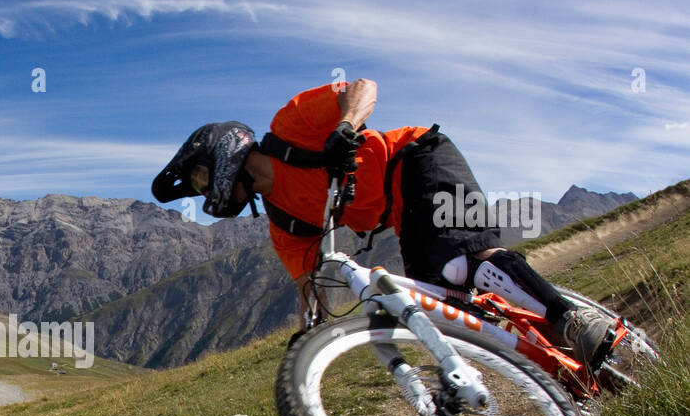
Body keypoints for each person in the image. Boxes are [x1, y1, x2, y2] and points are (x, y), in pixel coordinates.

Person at [151, 79, 617, 367]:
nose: (202, 189)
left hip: (417, 157)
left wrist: (346, 127)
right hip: (402, 217)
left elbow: (363, 87)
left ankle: (573, 322)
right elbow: (308, 287)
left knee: (464, 263)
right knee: (450, 309)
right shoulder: (284, 224)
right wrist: (306, 341)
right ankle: (554, 369)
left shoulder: (291, 125)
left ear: (222, 150)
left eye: (200, 175)